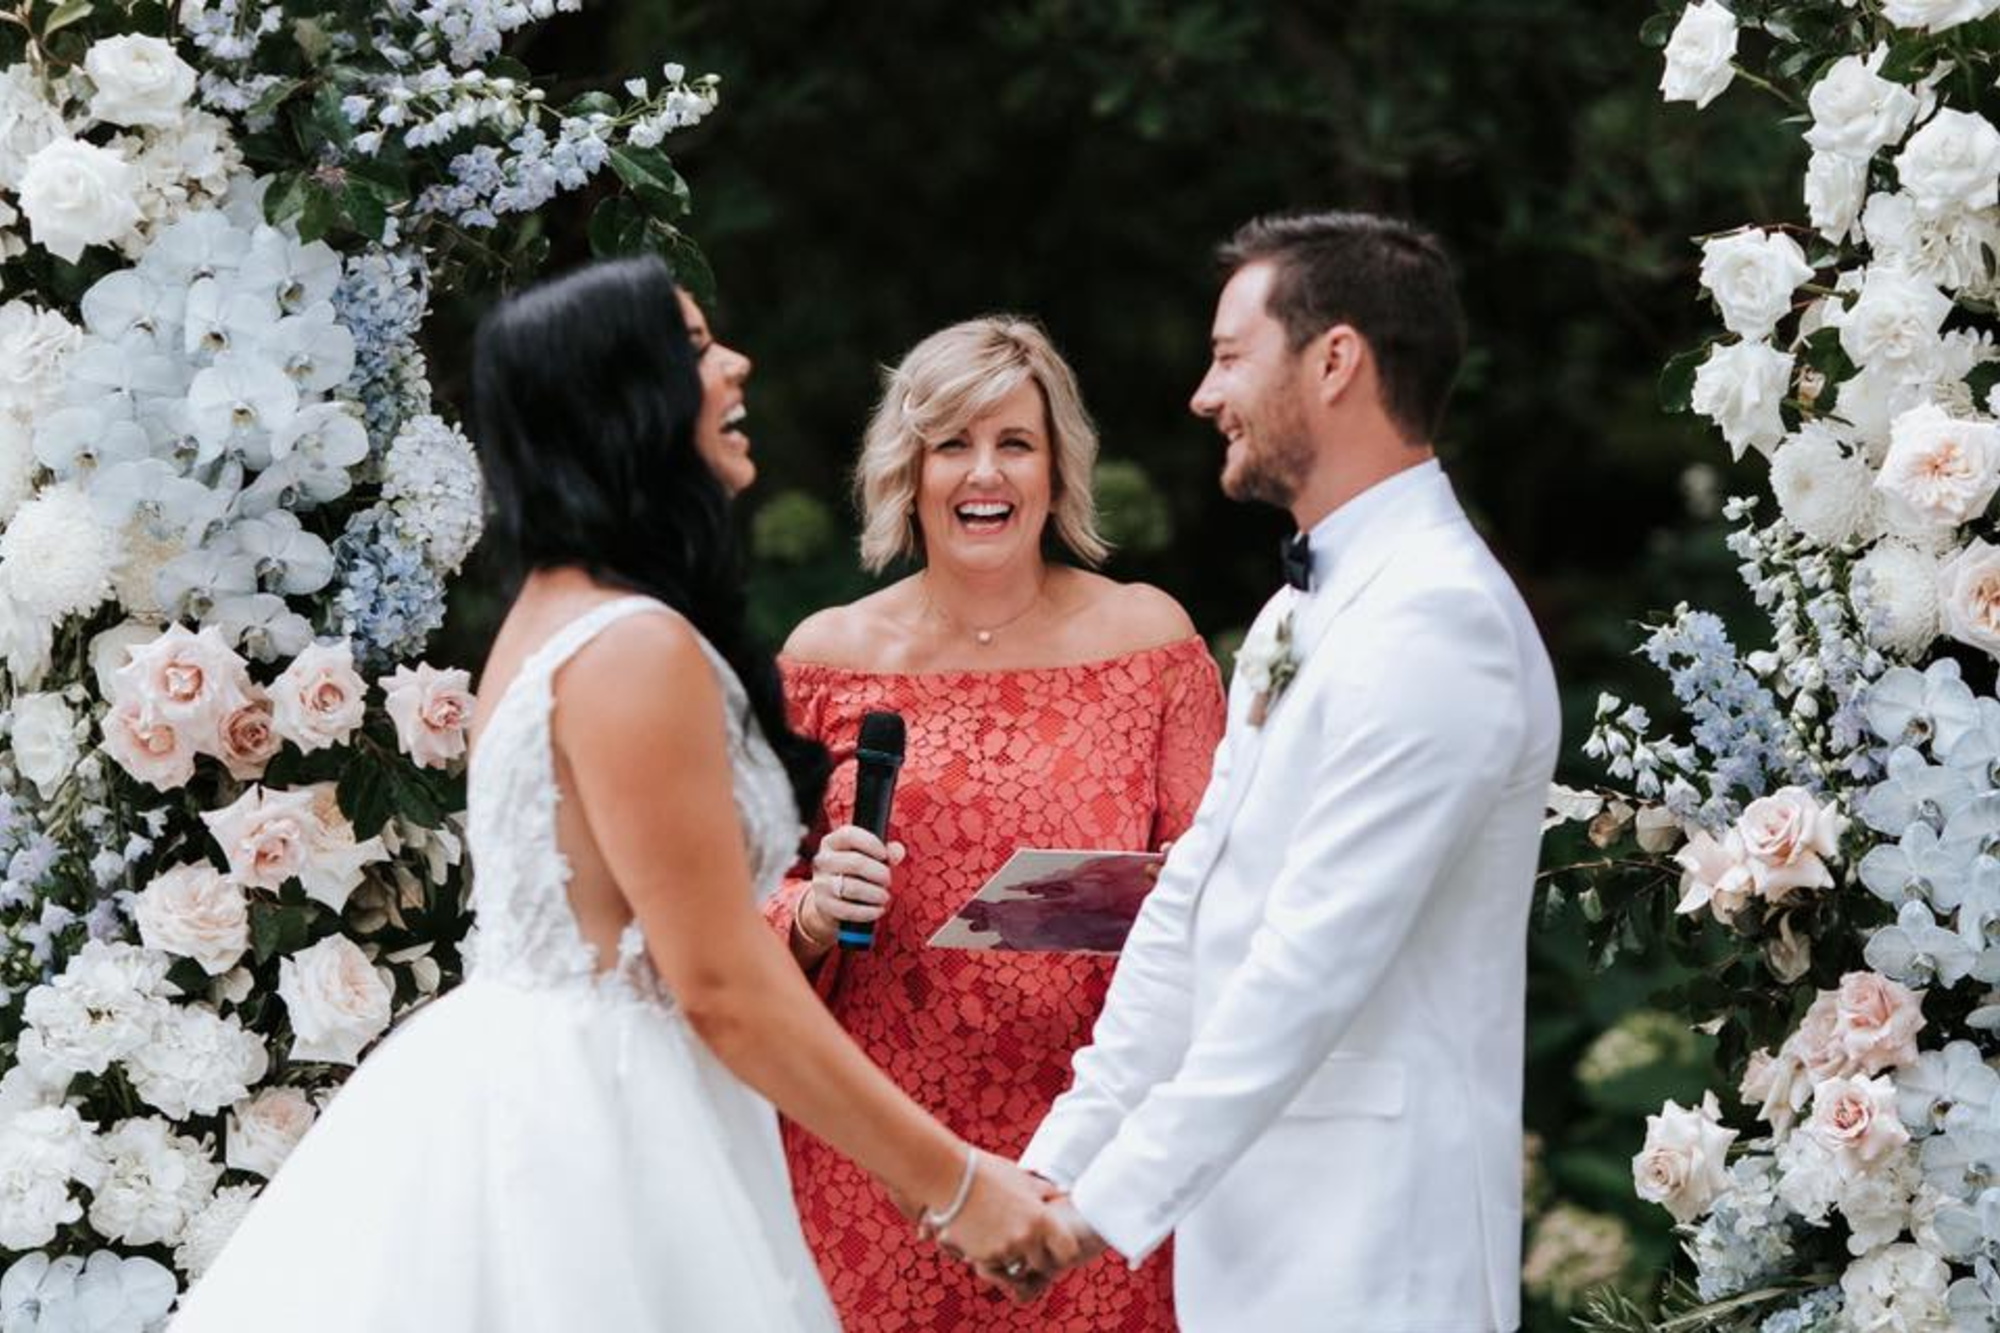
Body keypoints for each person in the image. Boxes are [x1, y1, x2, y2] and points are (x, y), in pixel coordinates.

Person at [171, 257, 1074, 1333]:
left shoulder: (548, 620)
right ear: (624, 394)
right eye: (694, 345)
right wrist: (956, 1184)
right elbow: (722, 984)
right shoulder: (631, 649)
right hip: (592, 1135)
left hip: (528, 1091)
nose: (735, 365)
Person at [1020, 211, 1561, 1331]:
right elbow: (1188, 908)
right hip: (1255, 1243)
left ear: (1334, 359)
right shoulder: (1295, 609)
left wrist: (1096, 1209)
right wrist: (1057, 1162)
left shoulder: (1438, 620)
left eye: (1227, 356)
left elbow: (1309, 961)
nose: (1201, 396)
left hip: (1379, 1251)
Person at [767, 315, 1226, 1331]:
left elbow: (1221, 897)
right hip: (878, 1155)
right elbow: (721, 913)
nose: (986, 473)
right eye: (953, 444)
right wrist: (806, 908)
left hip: (1091, 1149)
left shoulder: (1148, 642)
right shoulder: (825, 657)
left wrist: (1064, 900)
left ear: (1057, 469)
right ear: (909, 471)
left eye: (1014, 442)